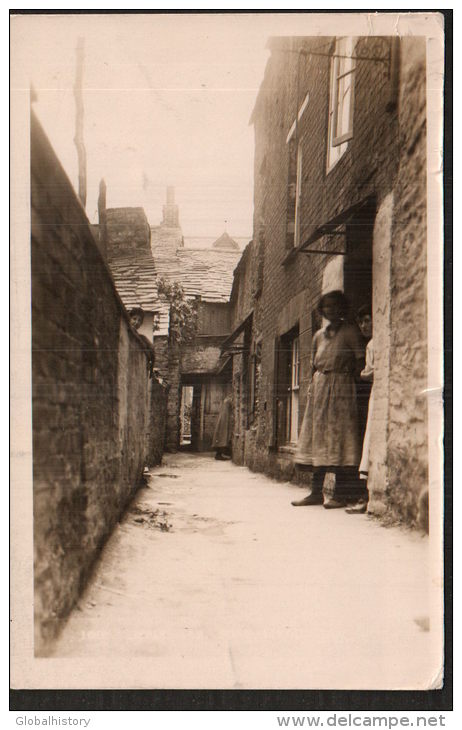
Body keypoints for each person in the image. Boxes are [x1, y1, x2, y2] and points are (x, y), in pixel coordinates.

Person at [291, 290, 365, 509]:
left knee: (340, 437)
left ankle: (341, 494)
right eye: (326, 306)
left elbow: (361, 361)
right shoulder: (318, 336)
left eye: (335, 306)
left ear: (342, 308)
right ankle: (315, 492)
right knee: (318, 437)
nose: (330, 310)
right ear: (321, 309)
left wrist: (354, 385)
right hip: (321, 390)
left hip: (342, 389)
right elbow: (314, 365)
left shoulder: (350, 332)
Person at [346, 308, 374, 514]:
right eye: (360, 322)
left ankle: (367, 495)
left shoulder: (375, 344)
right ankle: (361, 493)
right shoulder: (365, 345)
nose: (364, 326)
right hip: (364, 398)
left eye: (367, 320)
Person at [212, 394, 233, 460]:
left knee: (221, 437)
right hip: (225, 420)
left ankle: (220, 454)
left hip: (224, 419)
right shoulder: (228, 401)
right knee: (222, 437)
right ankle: (219, 454)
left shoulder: (225, 401)